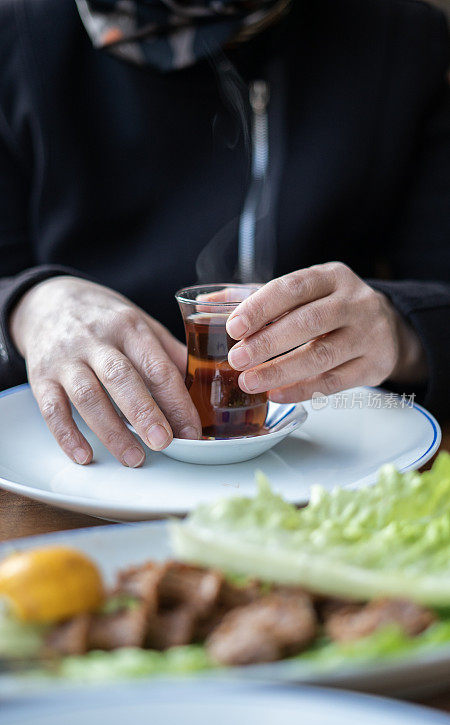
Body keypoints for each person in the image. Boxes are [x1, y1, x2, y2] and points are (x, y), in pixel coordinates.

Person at [0, 0, 448, 469]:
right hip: (88, 469)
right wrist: (30, 308)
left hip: (329, 470)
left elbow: (439, 289)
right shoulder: (17, 36)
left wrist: (402, 331)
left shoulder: (402, 37)